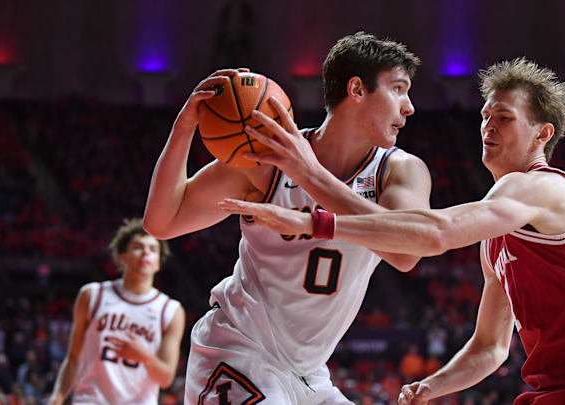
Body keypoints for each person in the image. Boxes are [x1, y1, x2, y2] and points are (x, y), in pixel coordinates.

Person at [219, 57, 565, 405]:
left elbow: (436, 232)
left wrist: (314, 218)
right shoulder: (496, 236)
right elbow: (490, 347)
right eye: (484, 116)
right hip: (556, 393)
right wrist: (430, 386)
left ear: (542, 134)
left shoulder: (542, 187)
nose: (486, 126)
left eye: (503, 118)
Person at [143, 32, 431, 404]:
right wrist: (184, 129)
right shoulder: (264, 159)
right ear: (357, 89)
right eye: (398, 89)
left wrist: (313, 177)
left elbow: (406, 253)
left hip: (308, 373)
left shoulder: (401, 172)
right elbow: (162, 222)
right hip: (238, 349)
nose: (408, 107)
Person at [49, 218, 185, 405]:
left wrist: (144, 356)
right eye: (138, 247)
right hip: (90, 400)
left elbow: (166, 378)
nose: (146, 253)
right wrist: (58, 396)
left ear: (158, 263)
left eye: (153, 250)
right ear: (123, 257)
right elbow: (73, 358)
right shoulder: (92, 295)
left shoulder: (170, 310)